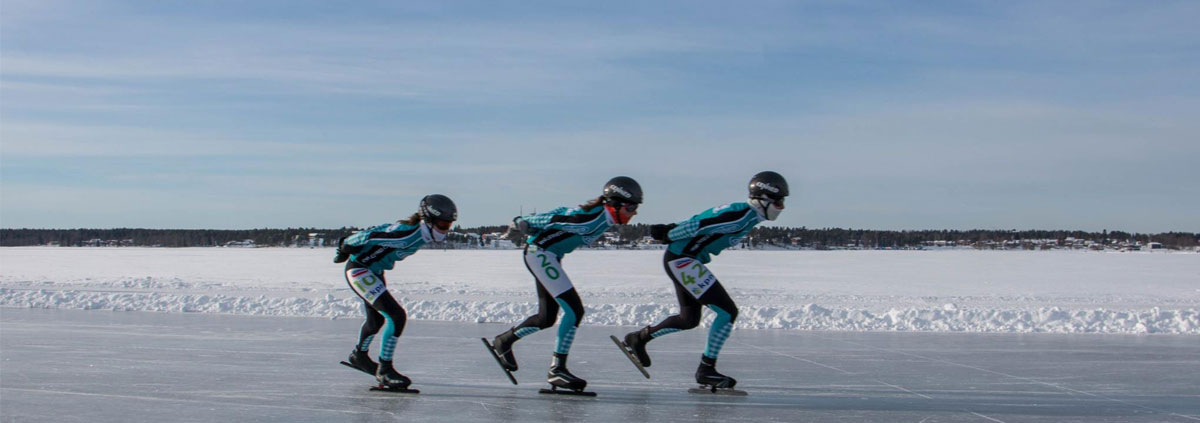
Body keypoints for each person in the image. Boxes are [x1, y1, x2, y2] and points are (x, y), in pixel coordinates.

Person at [620, 171, 789, 389]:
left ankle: (638, 339)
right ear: (763, 199)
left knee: (688, 319)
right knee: (727, 311)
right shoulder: (741, 216)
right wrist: (669, 234)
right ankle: (706, 369)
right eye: (779, 202)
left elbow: (701, 220)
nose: (781, 207)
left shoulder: (745, 214)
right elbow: (698, 225)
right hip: (682, 260)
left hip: (683, 259)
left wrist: (671, 229)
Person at [488, 177, 643, 392]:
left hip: (549, 254)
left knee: (546, 318)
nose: (634, 212)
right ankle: (557, 370)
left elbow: (564, 211)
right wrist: (524, 221)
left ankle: (504, 341)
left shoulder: (600, 217)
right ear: (615, 204)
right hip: (540, 254)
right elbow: (558, 217)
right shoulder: (592, 219)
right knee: (574, 310)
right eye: (631, 207)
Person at [334, 194, 457, 390]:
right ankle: (385, 369)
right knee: (396, 316)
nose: (445, 230)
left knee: (377, 320)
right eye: (442, 224)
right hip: (359, 270)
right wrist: (345, 245)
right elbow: (373, 233)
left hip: (374, 271)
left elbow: (385, 227)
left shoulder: (418, 231)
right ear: (429, 219)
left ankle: (359, 356)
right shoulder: (407, 233)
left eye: (448, 225)